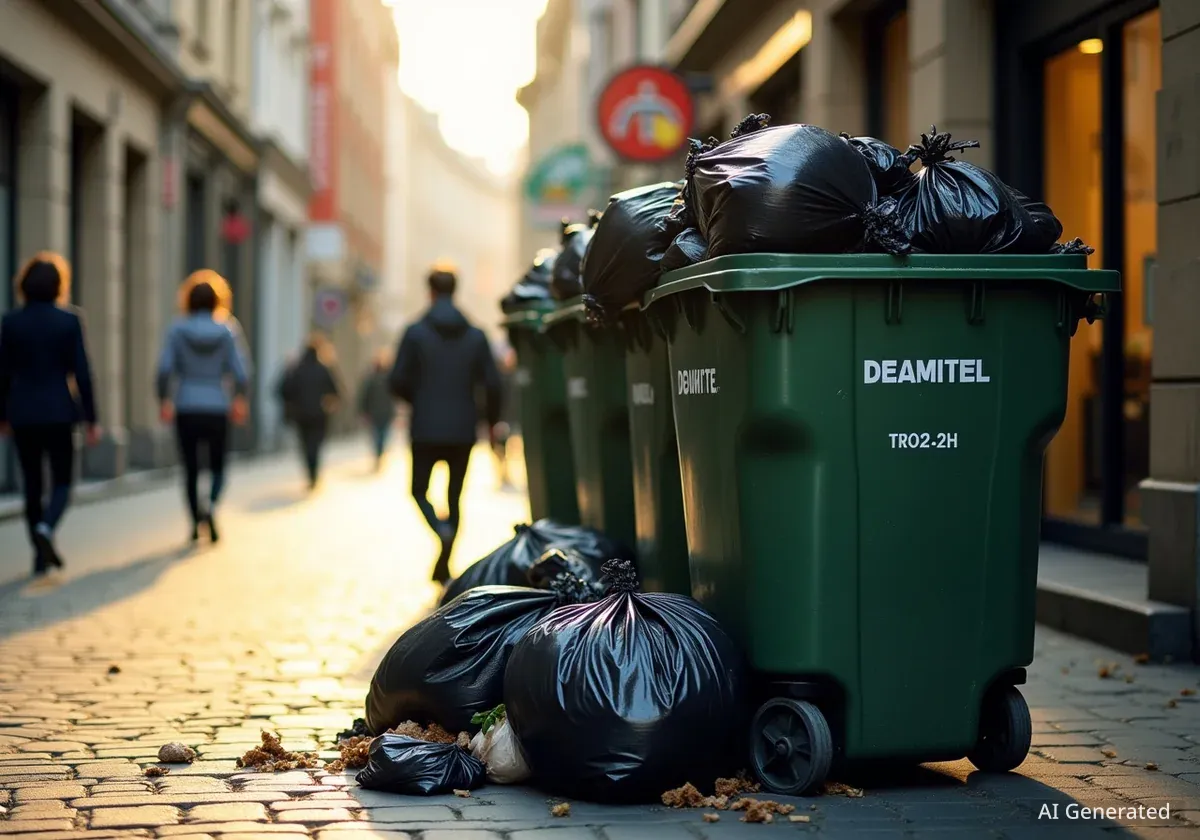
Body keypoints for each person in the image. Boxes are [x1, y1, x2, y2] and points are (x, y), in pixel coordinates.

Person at [390, 264, 502, 584]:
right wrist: (490, 421)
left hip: (425, 426)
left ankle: (440, 533)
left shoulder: (415, 333)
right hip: (463, 429)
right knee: (454, 497)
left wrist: (418, 400)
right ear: (455, 291)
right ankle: (445, 556)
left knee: (418, 490)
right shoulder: (476, 335)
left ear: (430, 292)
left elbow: (397, 379)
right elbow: (493, 384)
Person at [0, 252, 100, 576]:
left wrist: (2, 415)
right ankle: (47, 528)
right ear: (60, 286)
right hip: (59, 411)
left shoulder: (11, 322)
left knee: (31, 484)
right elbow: (82, 373)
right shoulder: (69, 320)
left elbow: (2, 374)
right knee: (62, 482)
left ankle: (39, 556)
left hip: (23, 413)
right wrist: (91, 418)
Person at [156, 270, 251, 544]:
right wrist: (239, 399)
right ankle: (210, 504)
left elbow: (164, 369)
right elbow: (242, 372)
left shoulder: (177, 329)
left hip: (186, 404)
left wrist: (164, 398)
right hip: (217, 406)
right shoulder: (228, 330)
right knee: (218, 465)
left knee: (190, 468)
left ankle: (195, 520)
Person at [278, 334, 341, 489]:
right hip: (319, 414)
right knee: (316, 445)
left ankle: (310, 474)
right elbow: (336, 391)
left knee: (306, 445)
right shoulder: (324, 369)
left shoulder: (297, 369)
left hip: (301, 415)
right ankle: (314, 474)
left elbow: (283, 390)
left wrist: (287, 370)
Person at [358, 349, 396, 471]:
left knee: (378, 436)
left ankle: (379, 455)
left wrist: (363, 411)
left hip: (376, 413)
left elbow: (364, 396)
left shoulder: (372, 378)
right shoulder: (389, 378)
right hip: (385, 413)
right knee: (382, 436)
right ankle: (379, 454)